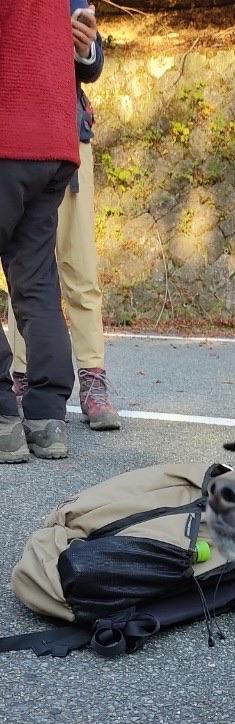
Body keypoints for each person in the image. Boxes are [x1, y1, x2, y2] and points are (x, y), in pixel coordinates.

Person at [8, 2, 121, 432]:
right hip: (17, 137)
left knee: (79, 261)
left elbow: (92, 67)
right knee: (22, 266)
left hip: (68, 136)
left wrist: (85, 48)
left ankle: (93, 378)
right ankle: (22, 374)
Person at [0, 0, 79, 462]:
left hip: (8, 136)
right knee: (36, 282)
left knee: (35, 281)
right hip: (54, 143)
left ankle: (4, 421)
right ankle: (48, 420)